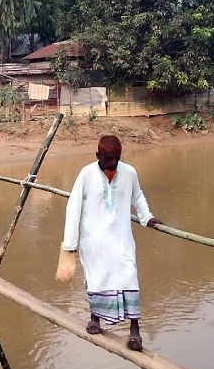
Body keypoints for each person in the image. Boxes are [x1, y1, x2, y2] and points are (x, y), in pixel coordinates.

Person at [56, 135, 161, 352]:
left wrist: (147, 217)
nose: (113, 163)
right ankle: (95, 319)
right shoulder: (86, 175)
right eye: (108, 159)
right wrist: (70, 244)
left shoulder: (129, 173)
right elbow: (73, 207)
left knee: (129, 277)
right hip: (93, 241)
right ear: (98, 156)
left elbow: (137, 197)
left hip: (121, 238)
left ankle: (135, 332)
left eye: (116, 158)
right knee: (97, 279)